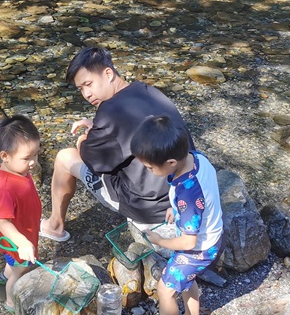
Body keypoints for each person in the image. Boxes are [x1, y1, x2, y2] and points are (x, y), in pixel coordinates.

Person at [40, 46, 193, 242]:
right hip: (181, 191)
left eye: (89, 84)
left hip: (148, 207)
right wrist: (98, 128)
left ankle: (55, 226)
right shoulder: (149, 92)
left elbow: (93, 162)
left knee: (64, 158)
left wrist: (84, 141)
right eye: (81, 89)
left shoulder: (110, 110)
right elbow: (132, 128)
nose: (86, 94)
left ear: (108, 73)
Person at [128, 115, 223, 315]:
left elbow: (188, 241)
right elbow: (201, 199)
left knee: (165, 288)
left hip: (197, 249)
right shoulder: (197, 158)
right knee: (186, 280)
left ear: (171, 162)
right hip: (211, 239)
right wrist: (176, 209)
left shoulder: (187, 194)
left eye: (150, 167)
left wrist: (161, 241)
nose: (148, 170)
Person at [0, 114, 42, 313]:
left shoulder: (18, 170)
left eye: (36, 155)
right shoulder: (5, 188)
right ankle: (11, 302)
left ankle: (5, 274)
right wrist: (22, 242)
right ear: (5, 156)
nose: (33, 162)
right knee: (20, 271)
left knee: (13, 265)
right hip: (16, 239)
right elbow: (3, 222)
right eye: (26, 158)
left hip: (26, 230)